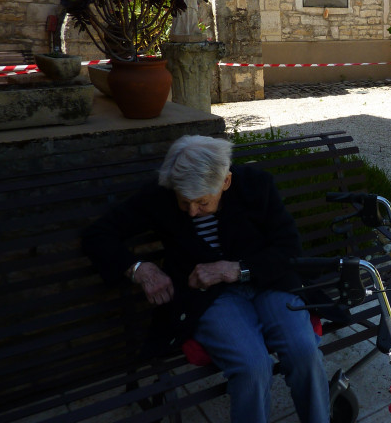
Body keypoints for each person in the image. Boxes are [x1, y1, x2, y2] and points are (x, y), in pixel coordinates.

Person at [82, 135, 329, 423]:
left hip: (269, 283)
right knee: (252, 367)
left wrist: (236, 269)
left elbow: (288, 249)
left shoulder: (256, 185)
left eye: (202, 202)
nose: (192, 211)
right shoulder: (160, 195)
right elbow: (97, 235)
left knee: (304, 354)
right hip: (207, 297)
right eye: (184, 202)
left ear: (225, 182)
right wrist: (140, 269)